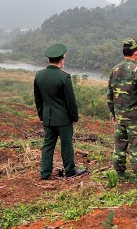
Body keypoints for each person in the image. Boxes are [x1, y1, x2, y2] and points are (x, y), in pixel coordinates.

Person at [107, 38, 137, 185]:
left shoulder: (114, 70)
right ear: (135, 53)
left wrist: (113, 114)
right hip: (136, 119)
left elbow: (110, 95)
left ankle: (120, 173)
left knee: (120, 146)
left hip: (120, 117)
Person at [34, 43, 86, 180]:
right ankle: (70, 171)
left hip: (48, 118)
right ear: (61, 60)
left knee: (48, 145)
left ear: (48, 60)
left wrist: (42, 116)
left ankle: (45, 173)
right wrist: (74, 117)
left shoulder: (39, 76)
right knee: (66, 145)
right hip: (63, 119)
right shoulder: (64, 77)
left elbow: (38, 99)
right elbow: (70, 101)